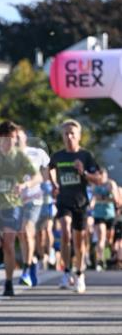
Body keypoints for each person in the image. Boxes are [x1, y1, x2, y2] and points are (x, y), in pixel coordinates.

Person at [0, 121, 36, 298]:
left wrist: (25, 184)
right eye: (8, 138)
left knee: (9, 245)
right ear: (0, 138)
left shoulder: (20, 156)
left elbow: (36, 176)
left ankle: (8, 282)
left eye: (13, 138)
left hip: (12, 205)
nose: (11, 141)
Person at [49, 119, 103, 294]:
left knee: (79, 243)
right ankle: (66, 272)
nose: (69, 136)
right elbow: (48, 169)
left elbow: (99, 178)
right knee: (65, 232)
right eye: (66, 133)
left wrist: (84, 173)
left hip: (80, 203)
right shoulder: (58, 156)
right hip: (63, 201)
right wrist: (53, 184)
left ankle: (79, 274)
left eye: (72, 133)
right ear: (62, 137)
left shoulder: (86, 156)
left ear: (79, 136)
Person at [15, 129, 50, 287]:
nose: (15, 139)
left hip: (35, 198)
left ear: (25, 138)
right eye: (13, 136)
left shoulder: (37, 153)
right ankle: (32, 260)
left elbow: (46, 174)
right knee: (21, 234)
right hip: (15, 201)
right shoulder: (8, 156)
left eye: (18, 136)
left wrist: (53, 188)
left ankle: (26, 270)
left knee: (27, 229)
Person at [91, 168, 118, 271]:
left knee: (109, 240)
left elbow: (115, 199)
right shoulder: (95, 185)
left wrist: (102, 198)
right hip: (98, 215)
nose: (100, 177)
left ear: (106, 175)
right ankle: (100, 260)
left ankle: (111, 257)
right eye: (99, 175)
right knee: (101, 237)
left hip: (110, 215)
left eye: (102, 175)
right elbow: (93, 198)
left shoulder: (111, 184)